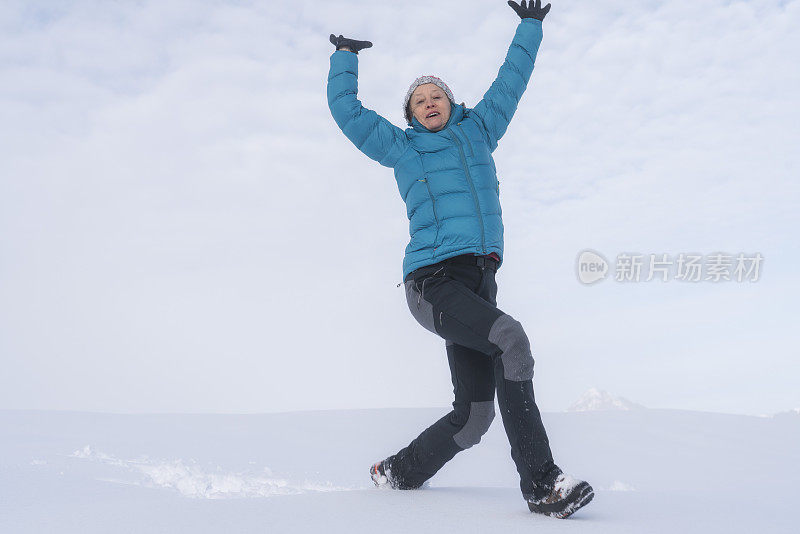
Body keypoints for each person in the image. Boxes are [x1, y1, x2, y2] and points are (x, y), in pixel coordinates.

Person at [327, 0, 593, 519]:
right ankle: (543, 484)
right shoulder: (403, 150)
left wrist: (530, 25)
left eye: (437, 95)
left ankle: (398, 472)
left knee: (473, 417)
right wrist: (345, 59)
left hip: (478, 284)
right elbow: (348, 114)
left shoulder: (480, 131)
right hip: (433, 283)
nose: (429, 102)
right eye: (419, 99)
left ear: (452, 103)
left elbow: (511, 81)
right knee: (510, 339)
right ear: (409, 114)